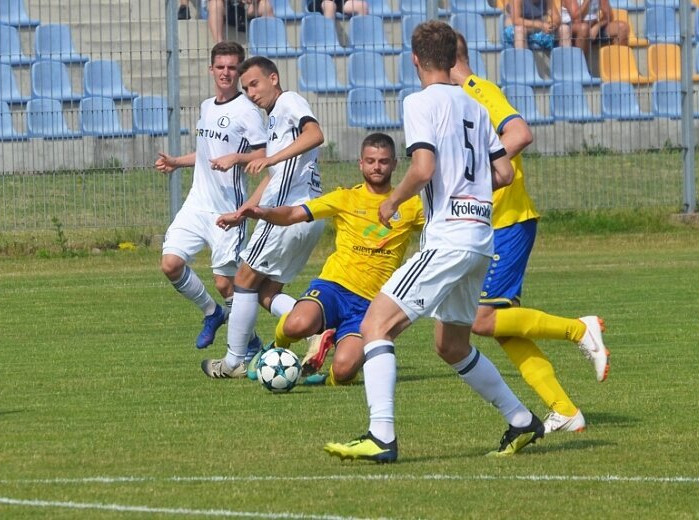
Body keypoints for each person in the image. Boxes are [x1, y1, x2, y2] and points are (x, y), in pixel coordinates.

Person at [323, 21, 543, 464]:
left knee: (375, 326)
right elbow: (501, 174)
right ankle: (522, 421)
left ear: (416, 60)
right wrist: (471, 195)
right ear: (454, 59)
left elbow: (423, 167)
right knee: (451, 345)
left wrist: (394, 202)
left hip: (449, 240)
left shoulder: (420, 102)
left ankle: (381, 436)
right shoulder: (476, 107)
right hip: (481, 238)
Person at [451, 33, 610, 434]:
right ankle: (565, 409)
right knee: (504, 328)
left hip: (506, 223)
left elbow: (519, 133)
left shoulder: (478, 91)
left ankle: (578, 328)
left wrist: (475, 179)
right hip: (489, 225)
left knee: (481, 321)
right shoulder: (457, 100)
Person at [238, 133, 424, 386]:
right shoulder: (345, 198)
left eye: (383, 161)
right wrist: (263, 212)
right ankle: (273, 351)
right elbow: (294, 213)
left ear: (394, 164)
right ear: (360, 163)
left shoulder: (411, 205)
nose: (376, 166)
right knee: (297, 325)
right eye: (370, 161)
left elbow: (441, 228)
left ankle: (321, 373)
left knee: (345, 371)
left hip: (372, 304)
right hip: (334, 287)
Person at [204, 56, 326, 379]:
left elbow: (315, 134)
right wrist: (244, 210)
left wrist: (272, 157)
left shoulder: (288, 101)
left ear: (274, 78)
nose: (251, 93)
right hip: (305, 214)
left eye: (254, 84)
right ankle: (318, 330)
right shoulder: (274, 122)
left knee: (242, 280)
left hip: (288, 212)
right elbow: (273, 176)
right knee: (266, 294)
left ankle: (233, 362)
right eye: (246, 89)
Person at [155, 41, 267, 358]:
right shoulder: (206, 107)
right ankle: (211, 313)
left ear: (240, 71)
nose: (226, 73)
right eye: (221, 67)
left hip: (227, 209)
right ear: (211, 70)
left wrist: (237, 158)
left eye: (233, 67)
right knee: (170, 264)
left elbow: (265, 155)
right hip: (196, 204)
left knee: (225, 284)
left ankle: (250, 341)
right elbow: (207, 154)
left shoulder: (247, 110)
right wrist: (177, 162)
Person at [562, 0, 628, 61]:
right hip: (570, 27)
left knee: (622, 28)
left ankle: (620, 65)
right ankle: (581, 67)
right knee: (584, 28)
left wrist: (597, 27)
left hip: (593, 25)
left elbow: (609, 16)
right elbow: (576, 19)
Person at [504, 0, 572, 50]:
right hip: (518, 30)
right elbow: (516, 20)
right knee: (520, 30)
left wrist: (552, 26)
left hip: (538, 32)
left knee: (564, 29)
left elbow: (556, 18)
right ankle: (522, 66)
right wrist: (540, 24)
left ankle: (566, 64)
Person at [208, 0, 275, 42]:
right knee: (215, 3)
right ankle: (219, 43)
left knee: (266, 5)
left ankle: (269, 42)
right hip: (226, 6)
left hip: (247, 6)